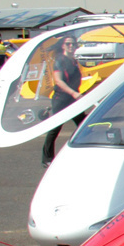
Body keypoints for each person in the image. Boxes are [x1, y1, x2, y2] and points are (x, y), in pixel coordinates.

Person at [42, 36, 83, 168]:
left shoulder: (73, 61)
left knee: (83, 124)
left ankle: (83, 152)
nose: (71, 46)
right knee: (55, 128)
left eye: (73, 44)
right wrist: (73, 93)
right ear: (63, 46)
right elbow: (59, 81)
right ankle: (47, 158)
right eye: (68, 44)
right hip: (61, 98)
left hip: (72, 98)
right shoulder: (60, 60)